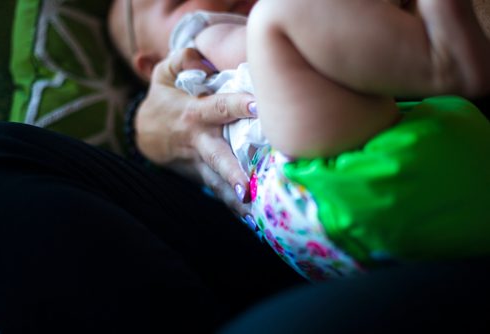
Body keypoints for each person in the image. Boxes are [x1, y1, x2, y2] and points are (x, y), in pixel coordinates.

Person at [108, 0, 490, 281]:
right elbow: (250, 50)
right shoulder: (198, 40)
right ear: (152, 63)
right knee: (271, 22)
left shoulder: (185, 154)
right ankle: (445, 60)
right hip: (344, 183)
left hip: (345, 247)